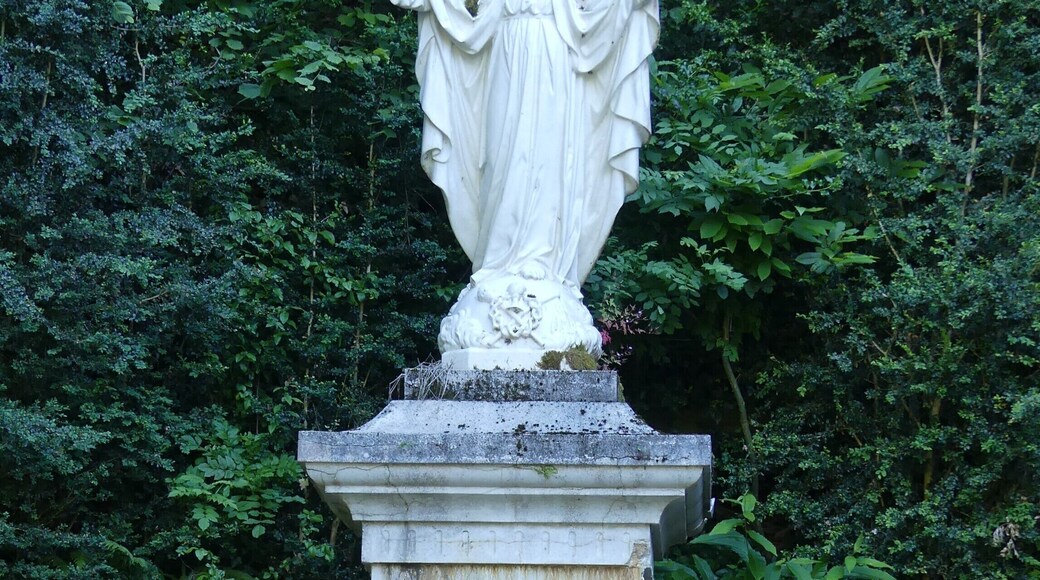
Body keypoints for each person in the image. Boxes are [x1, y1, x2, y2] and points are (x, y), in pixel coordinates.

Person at [390, 0, 659, 367]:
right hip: (503, 44)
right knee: (502, 161)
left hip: (559, 50)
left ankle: (546, 268)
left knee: (550, 163)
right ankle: (498, 265)